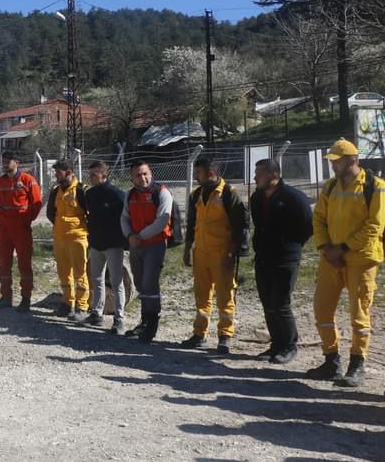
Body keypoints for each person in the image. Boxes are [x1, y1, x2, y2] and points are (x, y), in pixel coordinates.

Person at [307, 139, 385, 387]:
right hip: (331, 259)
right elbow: (318, 218)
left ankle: (357, 364)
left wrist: (343, 248)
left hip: (361, 260)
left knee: (359, 315)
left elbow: (374, 226)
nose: (333, 166)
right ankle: (331, 360)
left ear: (351, 160)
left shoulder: (376, 187)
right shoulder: (330, 187)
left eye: (336, 161)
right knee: (322, 309)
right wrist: (325, 247)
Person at [180, 156, 249, 355]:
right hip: (201, 253)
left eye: (198, 173)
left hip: (222, 254)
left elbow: (240, 227)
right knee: (202, 296)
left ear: (210, 173)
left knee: (225, 295)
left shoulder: (229, 194)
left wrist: (232, 253)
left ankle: (225, 336)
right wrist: (187, 250)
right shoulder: (196, 195)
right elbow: (192, 224)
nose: (196, 176)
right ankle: (199, 334)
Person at [250, 158, 313, 364]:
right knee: (268, 302)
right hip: (263, 258)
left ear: (273, 176)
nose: (255, 177)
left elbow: (307, 227)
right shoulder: (257, 198)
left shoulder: (294, 198)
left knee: (281, 303)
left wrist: (291, 246)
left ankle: (289, 346)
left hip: (286, 258)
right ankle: (276, 344)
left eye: (259, 173)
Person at [121, 160, 173, 343]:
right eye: (138, 175)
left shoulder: (162, 193)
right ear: (132, 177)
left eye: (145, 174)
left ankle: (152, 325)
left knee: (150, 284)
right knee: (140, 283)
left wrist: (140, 236)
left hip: (155, 244)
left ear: (151, 173)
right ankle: (144, 321)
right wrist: (129, 235)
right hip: (136, 244)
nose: (142, 178)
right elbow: (124, 218)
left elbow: (162, 221)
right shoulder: (130, 195)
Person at [0, 150, 43, 312]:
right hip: (5, 228)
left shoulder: (28, 180)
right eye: (4, 160)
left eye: (9, 160)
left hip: (21, 228)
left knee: (24, 264)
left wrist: (25, 221)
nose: (5, 163)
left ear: (17, 162)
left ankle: (26, 298)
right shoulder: (0, 182)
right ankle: (6, 296)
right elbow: (0, 204)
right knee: (4, 264)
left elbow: (36, 204)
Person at [84, 160, 128, 334]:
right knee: (96, 279)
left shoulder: (117, 194)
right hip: (96, 243)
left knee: (117, 282)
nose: (91, 177)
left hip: (113, 244)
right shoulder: (91, 194)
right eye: (90, 174)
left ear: (105, 175)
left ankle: (119, 319)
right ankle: (97, 312)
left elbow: (125, 218)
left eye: (94, 174)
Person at [45, 158, 89, 321]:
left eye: (58, 172)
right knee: (64, 273)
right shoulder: (56, 191)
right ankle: (67, 302)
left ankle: (82, 306)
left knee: (80, 273)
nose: (56, 175)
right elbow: (50, 213)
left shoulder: (81, 189)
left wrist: (79, 230)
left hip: (77, 237)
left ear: (69, 173)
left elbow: (89, 214)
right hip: (59, 238)